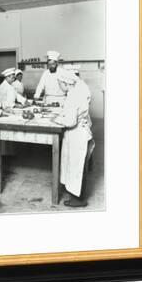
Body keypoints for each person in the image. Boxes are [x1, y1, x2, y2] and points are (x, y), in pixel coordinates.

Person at [53, 70, 94, 207]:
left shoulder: (72, 97)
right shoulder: (76, 92)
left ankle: (78, 200)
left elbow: (70, 121)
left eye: (59, 83)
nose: (59, 85)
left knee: (77, 167)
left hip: (77, 136)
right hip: (79, 133)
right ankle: (76, 195)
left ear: (65, 83)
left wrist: (57, 119)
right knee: (76, 166)